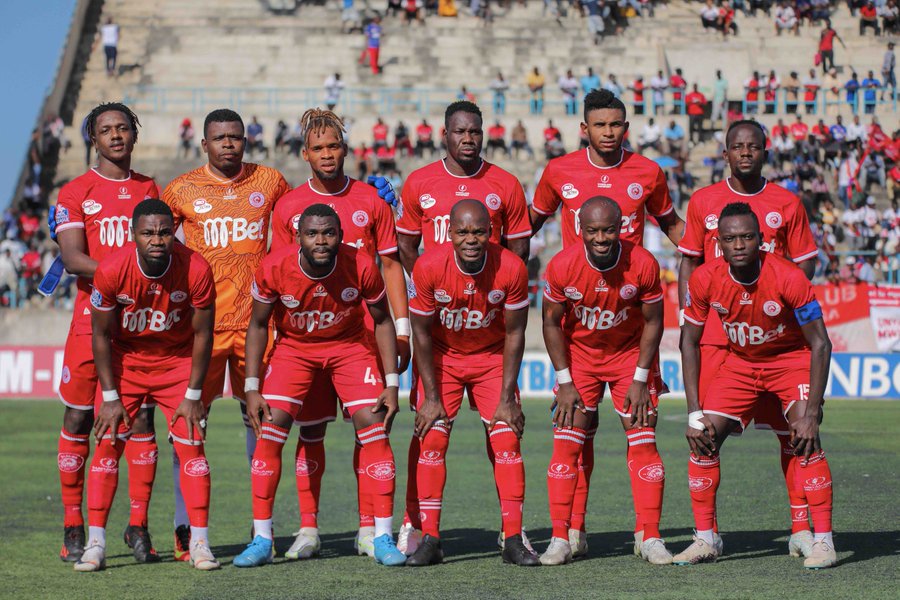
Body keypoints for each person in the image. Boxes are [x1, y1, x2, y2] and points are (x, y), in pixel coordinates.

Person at [530, 90, 683, 558]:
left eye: (616, 124)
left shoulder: (648, 172)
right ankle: (569, 533)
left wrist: (715, 255)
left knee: (643, 436)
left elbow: (674, 225)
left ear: (626, 128)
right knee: (575, 438)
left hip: (630, 329)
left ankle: (648, 536)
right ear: (585, 129)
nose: (609, 132)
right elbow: (526, 225)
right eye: (600, 125)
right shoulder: (559, 171)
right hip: (579, 330)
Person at [268, 109, 410, 560]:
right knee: (310, 431)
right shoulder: (288, 207)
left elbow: (391, 266)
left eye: (334, 146)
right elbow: (279, 274)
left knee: (369, 429)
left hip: (363, 334)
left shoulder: (372, 199)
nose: (327, 154)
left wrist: (401, 329)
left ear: (345, 149)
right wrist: (279, 338)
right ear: (305, 154)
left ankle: (368, 528)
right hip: (307, 336)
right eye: (319, 148)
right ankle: (308, 528)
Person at [676, 120, 821, 562]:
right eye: (737, 147)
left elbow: (804, 267)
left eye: (752, 147)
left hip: (775, 340)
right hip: (717, 340)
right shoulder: (703, 201)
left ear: (764, 152)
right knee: (704, 435)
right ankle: (708, 535)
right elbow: (689, 264)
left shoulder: (787, 202)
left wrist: (774, 308)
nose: (744, 153)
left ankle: (801, 529)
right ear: (725, 154)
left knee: (791, 434)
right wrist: (692, 312)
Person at [235, 204, 405, 568]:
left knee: (375, 427)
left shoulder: (361, 265)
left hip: (349, 348)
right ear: (298, 237)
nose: (321, 240)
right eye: (312, 233)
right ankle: (262, 539)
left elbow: (382, 321)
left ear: (341, 235)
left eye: (328, 233)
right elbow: (258, 325)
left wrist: (392, 383)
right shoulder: (274, 267)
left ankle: (382, 535)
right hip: (295, 350)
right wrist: (251, 386)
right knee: (271, 429)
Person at [395, 101, 531, 554]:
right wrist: (435, 286)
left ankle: (513, 533)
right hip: (440, 337)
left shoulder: (505, 184)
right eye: (460, 131)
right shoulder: (420, 182)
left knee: (505, 435)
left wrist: (484, 285)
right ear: (445, 135)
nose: (468, 139)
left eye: (475, 131)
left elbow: (519, 250)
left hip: (488, 334)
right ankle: (417, 524)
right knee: (428, 431)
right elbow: (405, 245)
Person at [162, 109, 291, 561]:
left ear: (245, 140)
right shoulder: (181, 189)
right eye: (219, 138)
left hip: (257, 325)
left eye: (235, 137)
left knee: (262, 422)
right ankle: (184, 527)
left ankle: (263, 528)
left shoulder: (270, 181)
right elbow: (154, 242)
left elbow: (297, 227)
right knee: (188, 425)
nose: (228, 144)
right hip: (202, 328)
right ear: (205, 144)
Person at [77, 199, 218, 572]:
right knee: (107, 443)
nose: (157, 240)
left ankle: (200, 543)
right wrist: (110, 397)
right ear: (133, 234)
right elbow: (100, 335)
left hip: (176, 362)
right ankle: (95, 543)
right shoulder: (111, 270)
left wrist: (193, 394)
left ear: (174, 233)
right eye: (148, 233)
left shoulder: (197, 268)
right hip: (126, 363)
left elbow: (204, 334)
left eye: (165, 232)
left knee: (192, 445)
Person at [52, 103, 161, 565]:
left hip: (137, 327)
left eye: (122, 128)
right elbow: (73, 258)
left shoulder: (150, 189)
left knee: (141, 422)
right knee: (79, 420)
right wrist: (124, 280)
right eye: (106, 130)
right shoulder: (76, 191)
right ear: (93, 139)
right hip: (90, 322)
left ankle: (138, 524)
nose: (115, 135)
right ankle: (73, 524)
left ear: (134, 135)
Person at [404, 200, 538, 567]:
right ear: (449, 233)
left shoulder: (511, 267)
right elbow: (421, 334)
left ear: (491, 232)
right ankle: (430, 538)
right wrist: (431, 397)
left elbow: (515, 333)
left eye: (478, 231)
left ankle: (513, 538)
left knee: (507, 439)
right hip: (443, 359)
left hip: (491, 359)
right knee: (432, 438)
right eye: (462, 232)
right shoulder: (428, 267)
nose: (471, 239)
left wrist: (508, 397)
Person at [540, 196, 671, 566]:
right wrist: (565, 381)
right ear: (580, 229)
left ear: (621, 228)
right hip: (580, 359)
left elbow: (654, 321)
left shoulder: (642, 263)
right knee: (567, 444)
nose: (600, 238)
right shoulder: (562, 265)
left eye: (608, 230)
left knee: (643, 440)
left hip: (630, 357)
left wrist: (641, 379)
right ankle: (562, 537)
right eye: (593, 230)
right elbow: (550, 322)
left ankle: (650, 536)